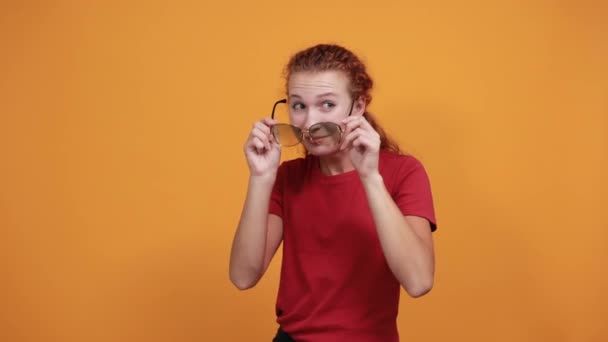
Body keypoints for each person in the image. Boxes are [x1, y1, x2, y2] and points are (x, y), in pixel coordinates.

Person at [229, 43, 437, 342]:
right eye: (299, 105)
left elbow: (418, 281)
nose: (310, 121)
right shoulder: (287, 179)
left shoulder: (403, 173)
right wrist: (260, 178)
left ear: (359, 105)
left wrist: (369, 177)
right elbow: (243, 276)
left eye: (327, 104)